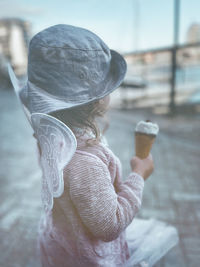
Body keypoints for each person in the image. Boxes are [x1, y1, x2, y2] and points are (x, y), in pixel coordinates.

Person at [8, 24, 178, 267]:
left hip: (63, 248)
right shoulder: (85, 164)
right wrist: (139, 175)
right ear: (98, 100)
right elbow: (110, 225)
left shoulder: (50, 140)